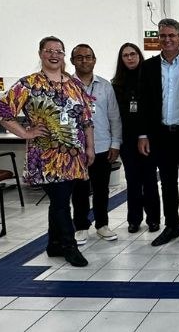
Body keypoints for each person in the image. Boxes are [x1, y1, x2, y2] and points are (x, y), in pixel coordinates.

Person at [0, 36, 93, 267]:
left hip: (74, 154)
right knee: (61, 201)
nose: (54, 55)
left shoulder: (74, 84)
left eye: (58, 51)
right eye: (49, 50)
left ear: (63, 55)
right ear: (40, 54)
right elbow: (1, 111)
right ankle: (69, 246)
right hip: (47, 156)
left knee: (60, 200)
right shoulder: (29, 84)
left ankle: (54, 244)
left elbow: (87, 119)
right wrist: (25, 133)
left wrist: (90, 147)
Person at [137, 18, 179, 247]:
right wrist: (143, 135)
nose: (167, 40)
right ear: (158, 38)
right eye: (163, 36)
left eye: (171, 35)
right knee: (167, 183)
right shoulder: (148, 67)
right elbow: (143, 103)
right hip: (161, 135)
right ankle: (172, 227)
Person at [69, 44, 122, 245]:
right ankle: (81, 226)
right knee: (79, 190)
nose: (84, 60)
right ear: (72, 61)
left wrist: (115, 143)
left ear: (94, 60)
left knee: (101, 189)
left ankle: (102, 225)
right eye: (79, 57)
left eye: (88, 57)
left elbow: (114, 117)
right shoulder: (66, 86)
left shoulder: (105, 86)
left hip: (102, 145)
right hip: (76, 148)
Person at [112, 43, 161, 234]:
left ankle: (153, 219)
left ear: (139, 56)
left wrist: (144, 134)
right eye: (125, 55)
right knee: (132, 181)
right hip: (127, 139)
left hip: (149, 137)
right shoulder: (116, 84)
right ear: (121, 59)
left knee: (149, 179)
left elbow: (152, 111)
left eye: (133, 54)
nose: (130, 58)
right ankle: (134, 219)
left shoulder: (149, 79)